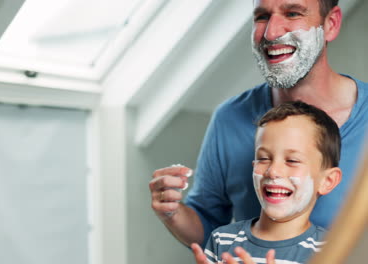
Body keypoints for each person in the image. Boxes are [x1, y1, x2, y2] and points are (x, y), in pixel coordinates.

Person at [149, 0, 368, 250]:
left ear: (331, 24)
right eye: (262, 17)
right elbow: (208, 229)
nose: (271, 32)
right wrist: (172, 212)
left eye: (293, 13)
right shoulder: (229, 118)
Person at [191, 101, 342, 263]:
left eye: (292, 160)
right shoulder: (222, 239)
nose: (273, 171)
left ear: (327, 181)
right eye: (263, 158)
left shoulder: (330, 251)